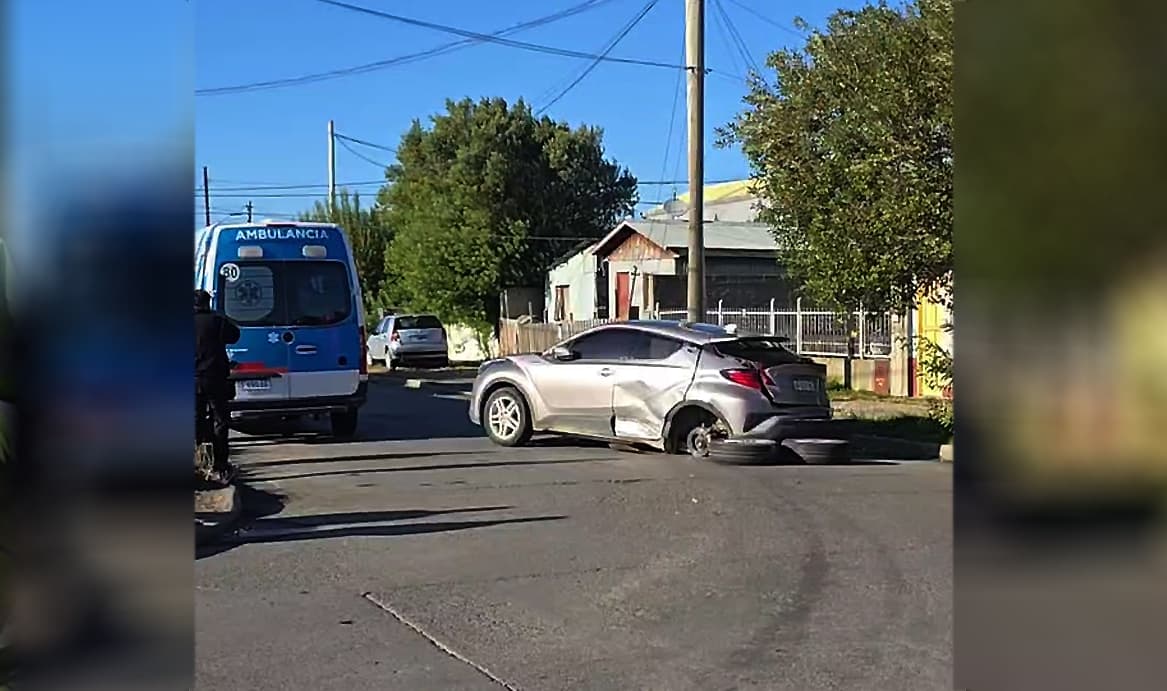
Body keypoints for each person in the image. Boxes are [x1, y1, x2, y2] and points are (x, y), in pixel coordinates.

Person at [194, 289, 240, 481]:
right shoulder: (217, 321)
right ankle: (220, 463)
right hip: (215, 378)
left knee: (196, 418)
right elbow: (234, 335)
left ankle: (201, 456)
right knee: (220, 419)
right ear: (207, 303)